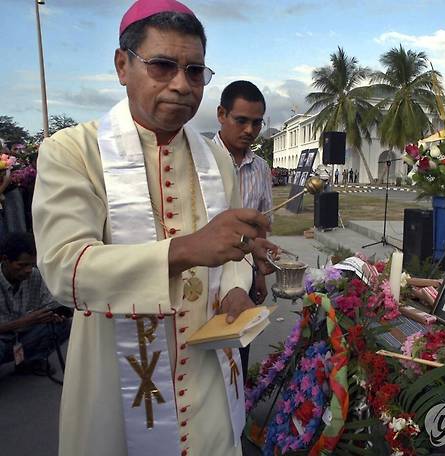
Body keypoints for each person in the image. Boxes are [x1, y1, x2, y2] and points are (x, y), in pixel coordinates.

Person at [31, 2, 278, 455]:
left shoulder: (215, 158)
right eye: (162, 66)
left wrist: (235, 289)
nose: (181, 84)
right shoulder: (73, 151)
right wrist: (185, 250)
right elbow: (65, 270)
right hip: (115, 383)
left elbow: (232, 252)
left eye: (195, 70)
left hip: (207, 378)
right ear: (123, 65)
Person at [214, 80, 272, 380]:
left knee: (240, 346)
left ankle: (239, 414)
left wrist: (260, 273)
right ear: (221, 115)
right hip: (205, 274)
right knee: (206, 353)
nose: (249, 130)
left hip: (245, 270)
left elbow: (262, 225)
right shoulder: (201, 160)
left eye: (257, 123)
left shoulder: (260, 168)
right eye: (241, 120)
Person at [0, 232, 71, 375]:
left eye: (31, 265)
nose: (27, 270)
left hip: (22, 336)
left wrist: (54, 314)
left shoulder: (34, 275)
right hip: (2, 339)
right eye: (22, 265)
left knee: (62, 325)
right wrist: (24, 321)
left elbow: (49, 303)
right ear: (5, 260)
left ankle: (30, 360)